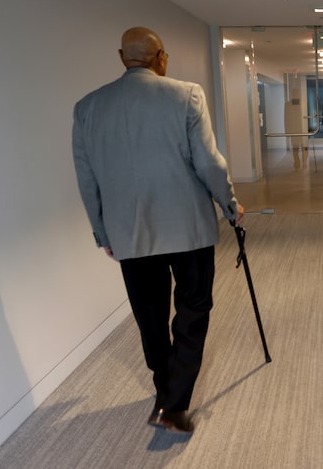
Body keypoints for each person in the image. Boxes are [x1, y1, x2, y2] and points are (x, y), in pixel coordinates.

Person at [72, 26, 244, 435]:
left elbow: (87, 178)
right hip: (189, 230)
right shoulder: (186, 95)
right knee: (193, 308)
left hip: (129, 233)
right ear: (160, 57)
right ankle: (174, 403)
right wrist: (231, 203)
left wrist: (103, 232)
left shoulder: (88, 108)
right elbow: (209, 163)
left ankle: (165, 393)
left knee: (149, 316)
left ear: (121, 57)